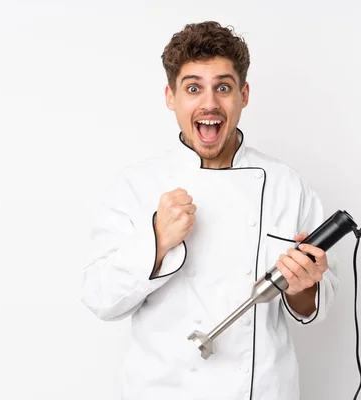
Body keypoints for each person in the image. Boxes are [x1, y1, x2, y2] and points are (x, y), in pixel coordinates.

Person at [81, 21, 339, 400]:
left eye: (223, 87)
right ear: (170, 96)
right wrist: (156, 241)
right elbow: (100, 298)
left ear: (243, 94)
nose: (209, 103)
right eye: (193, 88)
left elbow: (314, 302)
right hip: (163, 391)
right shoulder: (136, 186)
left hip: (262, 390)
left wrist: (305, 285)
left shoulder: (287, 186)